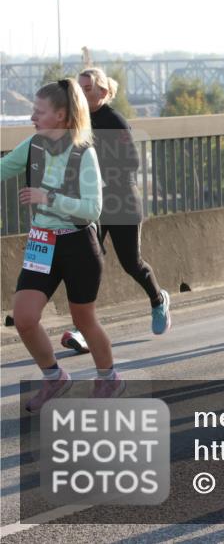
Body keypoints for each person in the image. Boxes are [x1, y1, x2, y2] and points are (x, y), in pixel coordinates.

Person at [2, 79, 124, 412]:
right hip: (42, 243)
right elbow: (2, 169)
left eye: (38, 112)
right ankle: (54, 378)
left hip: (78, 245)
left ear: (60, 115)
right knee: (24, 318)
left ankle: (108, 378)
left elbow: (92, 210)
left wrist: (49, 198)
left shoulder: (84, 152)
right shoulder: (33, 145)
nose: (32, 117)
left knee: (84, 320)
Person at [59, 68, 172, 355]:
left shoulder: (115, 121)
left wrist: (100, 179)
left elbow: (132, 162)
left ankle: (158, 300)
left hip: (122, 201)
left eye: (87, 88)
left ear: (103, 92)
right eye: (79, 88)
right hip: (92, 205)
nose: (81, 93)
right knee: (86, 262)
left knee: (131, 263)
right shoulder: (77, 121)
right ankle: (82, 328)